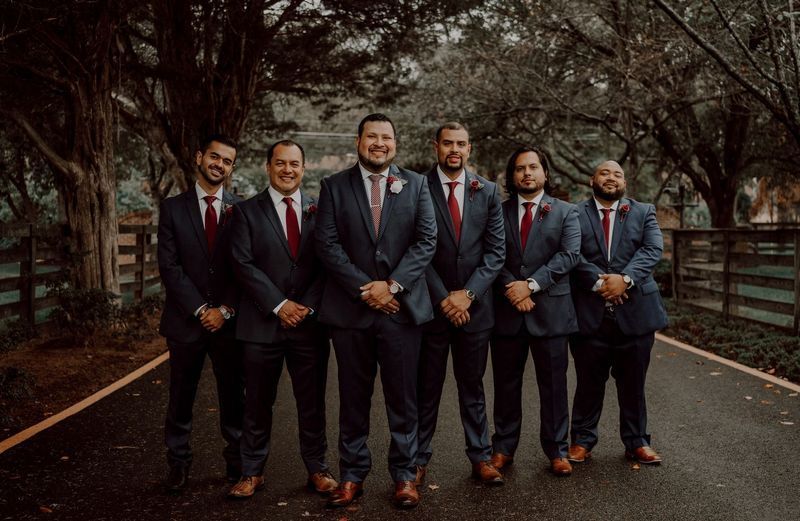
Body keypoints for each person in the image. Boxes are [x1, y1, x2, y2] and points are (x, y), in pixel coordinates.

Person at [315, 113, 437, 509]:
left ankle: (405, 475)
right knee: (353, 399)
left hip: (401, 311)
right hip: (352, 313)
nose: (379, 143)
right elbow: (328, 244)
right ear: (358, 141)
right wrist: (365, 289)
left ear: (395, 144)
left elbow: (426, 240)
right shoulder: (334, 186)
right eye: (372, 137)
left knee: (403, 399)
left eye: (386, 137)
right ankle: (352, 476)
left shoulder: (417, 185)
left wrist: (393, 285)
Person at [227, 140, 336, 499]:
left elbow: (328, 265)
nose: (287, 170)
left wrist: (305, 306)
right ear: (268, 166)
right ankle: (251, 472)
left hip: (308, 326)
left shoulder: (320, 211)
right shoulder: (245, 212)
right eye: (280, 163)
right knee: (257, 402)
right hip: (261, 325)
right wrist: (279, 304)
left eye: (294, 164)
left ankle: (317, 469)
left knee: (312, 402)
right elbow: (242, 265)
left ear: (304, 168)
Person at [416, 122, 505, 486]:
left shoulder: (487, 190)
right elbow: (415, 248)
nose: (455, 149)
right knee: (427, 388)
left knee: (473, 387)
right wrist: (443, 298)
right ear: (436, 146)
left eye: (462, 144)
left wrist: (467, 294)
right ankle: (417, 460)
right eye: (448, 143)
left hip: (475, 308)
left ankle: (481, 457)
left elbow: (496, 251)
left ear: (470, 148)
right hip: (432, 309)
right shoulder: (417, 187)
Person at [157, 134, 244, 493]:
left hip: (228, 323)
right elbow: (170, 266)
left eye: (226, 160)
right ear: (199, 157)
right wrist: (199, 309)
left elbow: (245, 267)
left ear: (231, 167)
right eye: (214, 157)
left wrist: (224, 310)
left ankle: (237, 463)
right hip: (185, 321)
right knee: (181, 397)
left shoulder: (241, 210)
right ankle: (178, 464)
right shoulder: (173, 208)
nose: (219, 164)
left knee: (233, 397)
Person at [567, 160, 668, 466]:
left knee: (633, 383)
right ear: (591, 180)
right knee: (588, 382)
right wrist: (600, 282)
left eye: (617, 174)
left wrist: (623, 279)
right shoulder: (573, 214)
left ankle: (637, 441)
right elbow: (572, 253)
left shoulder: (643, 211)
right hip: (589, 315)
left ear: (624, 183)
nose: (611, 178)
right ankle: (581, 440)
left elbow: (652, 250)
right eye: (604, 173)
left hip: (635, 314)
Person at [489, 146, 581, 477]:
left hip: (551, 312)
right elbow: (490, 255)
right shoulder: (496, 211)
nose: (527, 173)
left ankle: (557, 450)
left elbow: (569, 255)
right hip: (507, 312)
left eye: (533, 167)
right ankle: (502, 448)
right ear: (512, 176)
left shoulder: (567, 212)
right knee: (506, 386)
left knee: (554, 386)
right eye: (519, 168)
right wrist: (512, 288)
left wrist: (530, 285)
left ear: (545, 173)